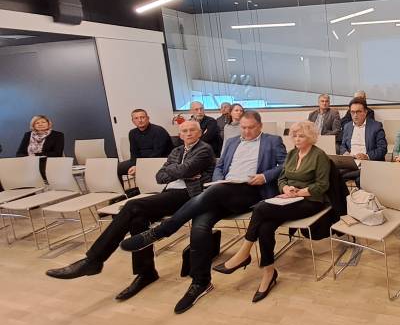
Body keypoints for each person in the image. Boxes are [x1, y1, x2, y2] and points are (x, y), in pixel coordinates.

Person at [119, 111, 286, 313]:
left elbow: (285, 164)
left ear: (260, 126)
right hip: (222, 189)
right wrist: (217, 180)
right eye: (243, 127)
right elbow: (220, 165)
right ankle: (200, 282)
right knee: (200, 224)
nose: (247, 131)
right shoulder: (232, 141)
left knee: (212, 194)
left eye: (251, 128)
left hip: (251, 191)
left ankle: (163, 230)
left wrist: (265, 176)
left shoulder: (272, 140)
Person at [45, 120, 215, 300]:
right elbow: (159, 176)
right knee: (137, 218)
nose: (188, 133)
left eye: (192, 130)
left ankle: (93, 260)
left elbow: (182, 170)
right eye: (184, 131)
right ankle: (146, 273)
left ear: (200, 133)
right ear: (179, 135)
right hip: (169, 193)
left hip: (189, 195)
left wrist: (176, 170)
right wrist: (180, 171)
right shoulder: (177, 151)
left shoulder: (204, 149)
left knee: (132, 206)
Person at [212, 121, 331, 302]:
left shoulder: (319, 155)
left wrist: (298, 192)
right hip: (289, 198)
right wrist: (286, 189)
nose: (297, 139)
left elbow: (322, 185)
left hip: (311, 200)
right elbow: (282, 178)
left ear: (311, 138)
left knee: (261, 207)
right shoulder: (292, 154)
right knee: (265, 227)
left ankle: (244, 252)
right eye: (295, 136)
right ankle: (269, 272)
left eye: (301, 136)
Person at [339, 97, 387, 183]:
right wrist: (345, 153)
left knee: (359, 179)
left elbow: (382, 149)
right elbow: (343, 145)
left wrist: (367, 156)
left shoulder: (376, 126)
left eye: (358, 112)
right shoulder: (347, 126)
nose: (355, 115)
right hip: (352, 163)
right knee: (331, 172)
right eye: (352, 112)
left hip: (367, 163)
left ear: (365, 112)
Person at [117, 109, 173, 177]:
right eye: (136, 118)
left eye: (142, 117)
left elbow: (157, 154)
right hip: (142, 161)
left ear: (148, 118)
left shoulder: (159, 131)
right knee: (117, 168)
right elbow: (134, 152)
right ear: (133, 121)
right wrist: (135, 165)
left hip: (160, 160)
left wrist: (140, 166)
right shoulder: (132, 133)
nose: (140, 120)